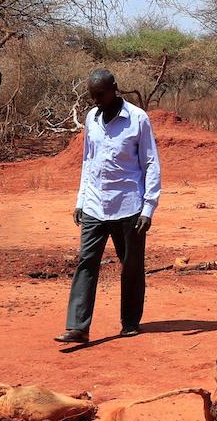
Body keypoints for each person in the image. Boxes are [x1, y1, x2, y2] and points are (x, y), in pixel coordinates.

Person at [55, 68, 162, 345]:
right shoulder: (91, 118)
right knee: (86, 262)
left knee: (131, 266)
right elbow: (88, 161)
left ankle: (129, 322)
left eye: (101, 94)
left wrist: (148, 208)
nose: (97, 101)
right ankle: (77, 327)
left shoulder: (138, 119)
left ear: (115, 88)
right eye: (92, 96)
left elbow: (150, 164)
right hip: (94, 204)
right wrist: (80, 200)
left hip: (129, 206)